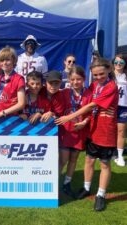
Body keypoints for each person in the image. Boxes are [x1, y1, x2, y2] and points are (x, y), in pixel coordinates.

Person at [55, 58, 118, 212]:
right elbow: (91, 111)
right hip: (92, 131)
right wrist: (86, 121)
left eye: (101, 74)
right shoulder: (94, 86)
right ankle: (86, 188)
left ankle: (101, 195)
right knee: (89, 160)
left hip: (106, 132)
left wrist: (69, 117)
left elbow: (91, 105)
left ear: (109, 70)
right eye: (95, 75)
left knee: (104, 164)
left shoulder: (111, 87)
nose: (98, 78)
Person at [58, 65, 92, 198]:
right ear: (69, 80)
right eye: (72, 79)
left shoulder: (89, 94)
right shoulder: (64, 93)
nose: (75, 82)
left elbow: (92, 112)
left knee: (73, 159)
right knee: (63, 160)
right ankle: (54, 183)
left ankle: (67, 184)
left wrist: (84, 122)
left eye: (78, 79)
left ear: (83, 79)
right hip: (66, 131)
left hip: (80, 132)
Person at [0, 46, 25, 120]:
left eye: (8, 60)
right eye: (2, 60)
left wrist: (1, 113)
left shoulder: (19, 79)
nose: (4, 63)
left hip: (12, 120)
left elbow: (21, 104)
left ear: (14, 61)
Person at [113, 54, 127, 166]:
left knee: (121, 131)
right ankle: (106, 152)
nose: (118, 64)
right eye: (116, 62)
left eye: (121, 62)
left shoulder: (126, 76)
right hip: (110, 107)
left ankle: (120, 156)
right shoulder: (108, 75)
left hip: (123, 107)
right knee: (108, 130)